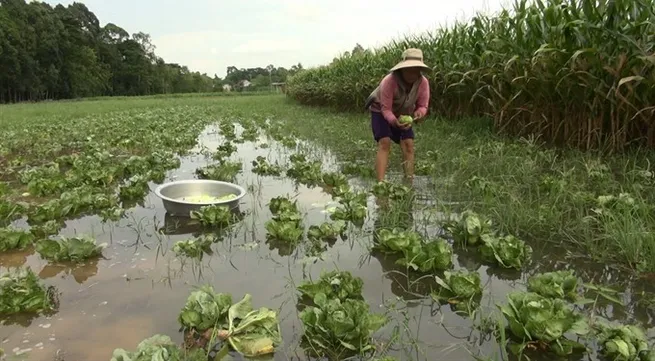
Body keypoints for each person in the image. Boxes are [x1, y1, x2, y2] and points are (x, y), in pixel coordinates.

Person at [364, 48, 430, 184]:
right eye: (409, 69)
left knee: (409, 144)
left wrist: (420, 113)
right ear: (402, 69)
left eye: (416, 69)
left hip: (402, 112)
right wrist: (394, 122)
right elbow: (386, 109)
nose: (413, 73)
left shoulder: (423, 83)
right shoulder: (389, 81)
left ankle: (409, 180)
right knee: (385, 142)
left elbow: (423, 105)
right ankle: (380, 183)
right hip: (380, 110)